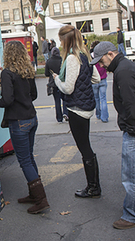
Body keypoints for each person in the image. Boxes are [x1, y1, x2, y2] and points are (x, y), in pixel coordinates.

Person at [90, 41, 135, 230]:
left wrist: (133, 129)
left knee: (133, 174)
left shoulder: (123, 71)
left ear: (111, 54)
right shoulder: (125, 67)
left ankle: (133, 215)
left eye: (101, 60)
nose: (101, 65)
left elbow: (131, 105)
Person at [0, 41, 49, 214]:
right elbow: (33, 95)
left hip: (18, 121)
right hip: (32, 118)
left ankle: (41, 200)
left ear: (8, 54)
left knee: (25, 160)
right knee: (29, 158)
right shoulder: (28, 71)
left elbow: (8, 99)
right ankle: (34, 194)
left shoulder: (7, 73)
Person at [52, 25, 102, 199]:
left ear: (66, 40)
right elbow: (96, 78)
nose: (59, 43)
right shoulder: (85, 54)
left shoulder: (72, 59)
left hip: (76, 109)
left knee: (84, 148)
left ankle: (93, 188)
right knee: (86, 146)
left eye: (60, 40)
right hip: (86, 106)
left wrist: (57, 79)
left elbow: (67, 88)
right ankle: (94, 186)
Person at [45, 47, 68, 123]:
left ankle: (59, 117)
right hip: (62, 81)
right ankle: (65, 113)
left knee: (57, 100)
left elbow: (46, 73)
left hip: (53, 83)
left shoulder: (49, 61)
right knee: (64, 99)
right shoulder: (62, 60)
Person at [90, 41, 109, 123]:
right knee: (103, 99)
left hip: (94, 80)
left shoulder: (91, 57)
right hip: (103, 78)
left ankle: (98, 114)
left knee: (96, 99)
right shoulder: (103, 55)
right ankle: (104, 117)